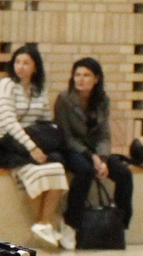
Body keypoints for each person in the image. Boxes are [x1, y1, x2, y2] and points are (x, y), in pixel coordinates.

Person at [0, 44, 72, 249]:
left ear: (35, 67)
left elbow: (45, 120)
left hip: (30, 142)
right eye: (17, 62)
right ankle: (43, 223)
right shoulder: (6, 85)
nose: (20, 66)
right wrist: (32, 147)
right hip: (6, 142)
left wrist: (43, 143)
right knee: (35, 171)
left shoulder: (38, 89)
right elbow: (9, 122)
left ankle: (44, 223)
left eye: (26, 63)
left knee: (57, 165)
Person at [54, 57, 133, 235]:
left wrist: (103, 159)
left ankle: (120, 224)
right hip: (72, 148)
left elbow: (104, 134)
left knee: (124, 173)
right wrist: (92, 157)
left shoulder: (102, 100)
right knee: (85, 170)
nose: (80, 79)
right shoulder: (64, 99)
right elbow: (65, 135)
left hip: (96, 151)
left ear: (96, 79)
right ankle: (70, 222)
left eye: (86, 75)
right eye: (77, 75)